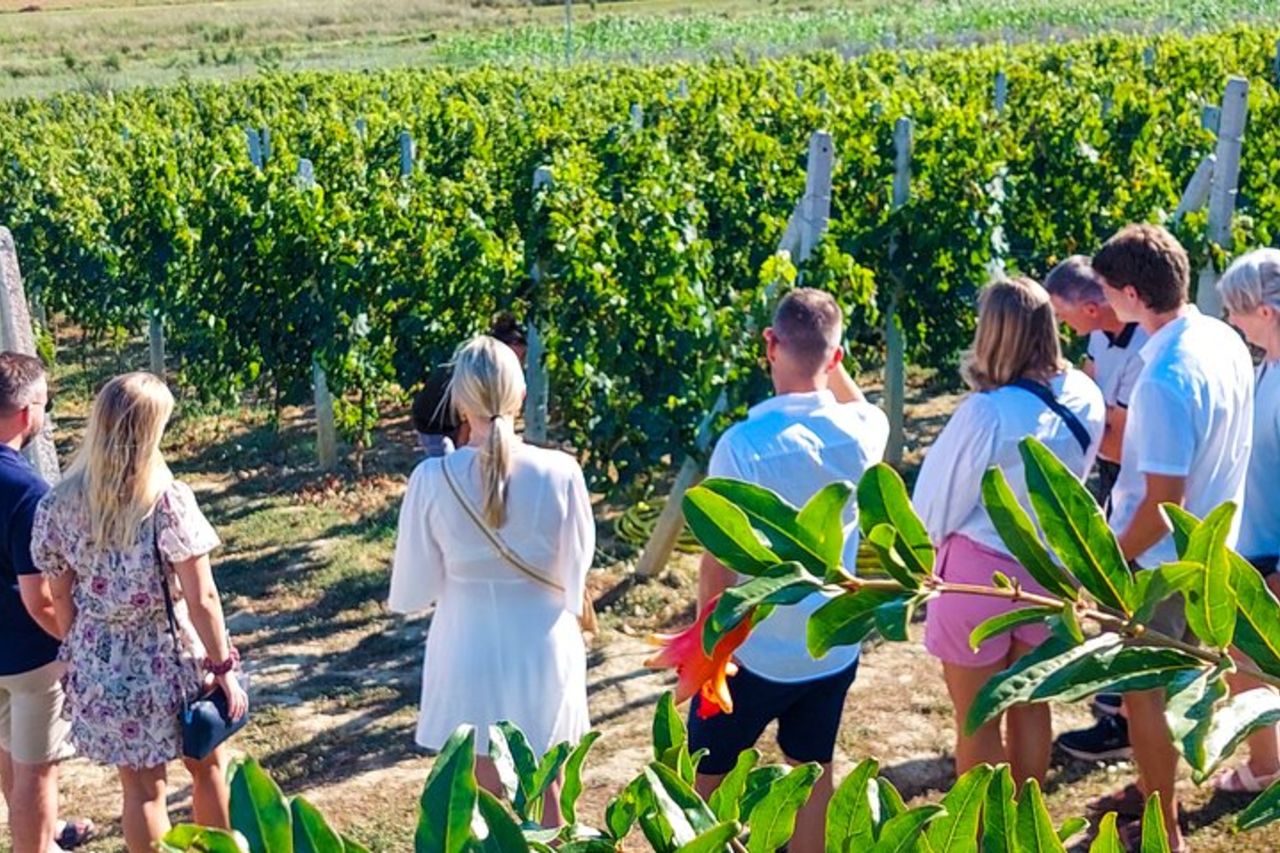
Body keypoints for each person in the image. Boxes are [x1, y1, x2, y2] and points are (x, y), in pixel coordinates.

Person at [689, 288, 888, 853]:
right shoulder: (864, 432)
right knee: (813, 772)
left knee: (703, 780)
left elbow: (718, 559)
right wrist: (832, 362)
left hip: (752, 652)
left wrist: (709, 649)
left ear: (768, 345)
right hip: (830, 646)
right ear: (839, 356)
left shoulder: (742, 445)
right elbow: (859, 403)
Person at [30, 373, 249, 853]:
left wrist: (81, 652)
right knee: (207, 763)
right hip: (169, 658)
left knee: (142, 791)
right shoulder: (167, 501)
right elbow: (202, 597)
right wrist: (223, 667)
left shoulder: (59, 503)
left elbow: (59, 593)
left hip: (101, 659)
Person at [1088, 224, 1253, 852]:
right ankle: (1154, 790)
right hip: (1214, 552)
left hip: (1159, 562)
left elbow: (1161, 506)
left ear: (1131, 294)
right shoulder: (1223, 339)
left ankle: (1165, 827)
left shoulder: (1162, 381)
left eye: (1107, 291)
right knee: (1181, 695)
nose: (1103, 302)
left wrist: (1102, 568)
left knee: (1145, 699)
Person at [389, 336, 593, 827]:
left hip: (465, 646)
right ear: (520, 396)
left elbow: (414, 590)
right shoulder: (562, 472)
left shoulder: (431, 479)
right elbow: (575, 572)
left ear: (460, 402)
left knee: (479, 805)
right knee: (550, 794)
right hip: (544, 645)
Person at [914, 277, 1105, 786]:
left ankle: (984, 830)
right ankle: (1025, 824)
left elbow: (934, 506)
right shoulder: (1085, 393)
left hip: (980, 576)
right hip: (1051, 573)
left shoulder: (987, 412)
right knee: (1030, 704)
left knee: (977, 718)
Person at [1045, 255, 1148, 763]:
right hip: (1111, 483)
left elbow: (1113, 439)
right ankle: (1113, 710)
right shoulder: (1099, 337)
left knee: (1127, 601)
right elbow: (1090, 411)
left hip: (1136, 483)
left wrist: (1091, 422)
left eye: (1063, 317)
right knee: (1112, 604)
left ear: (1090, 307)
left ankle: (1123, 722)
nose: (1060, 329)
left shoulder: (1143, 348)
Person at [0, 353, 95, 853]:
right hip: (29, 657)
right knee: (37, 773)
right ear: (26, 412)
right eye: (46, 403)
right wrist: (76, 642)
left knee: (9, 763)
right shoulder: (26, 492)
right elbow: (39, 599)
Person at [1210, 248, 1280, 794]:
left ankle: (1266, 767)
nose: (1232, 321)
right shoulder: (1265, 368)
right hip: (1254, 540)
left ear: (1267, 311)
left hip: (1271, 552)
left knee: (1250, 665)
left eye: (1238, 309)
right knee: (1246, 664)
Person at [412, 315, 528, 456]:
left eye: (522, 358)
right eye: (515, 357)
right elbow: (466, 430)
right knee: (448, 460)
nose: (519, 364)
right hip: (431, 424)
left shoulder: (485, 372)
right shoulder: (475, 379)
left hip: (456, 420)